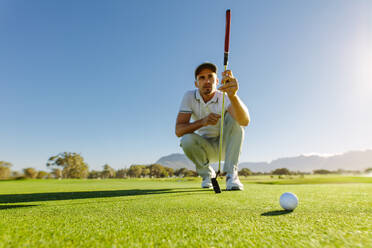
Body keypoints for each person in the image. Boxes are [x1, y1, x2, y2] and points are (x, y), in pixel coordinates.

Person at [175, 62, 250, 190]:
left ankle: (231, 174)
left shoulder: (225, 97)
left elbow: (244, 121)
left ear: (217, 80)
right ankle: (208, 175)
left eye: (210, 77)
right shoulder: (189, 96)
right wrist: (203, 122)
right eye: (202, 78)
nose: (207, 81)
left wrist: (233, 96)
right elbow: (178, 130)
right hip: (205, 149)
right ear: (196, 83)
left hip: (226, 147)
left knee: (234, 119)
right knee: (186, 139)